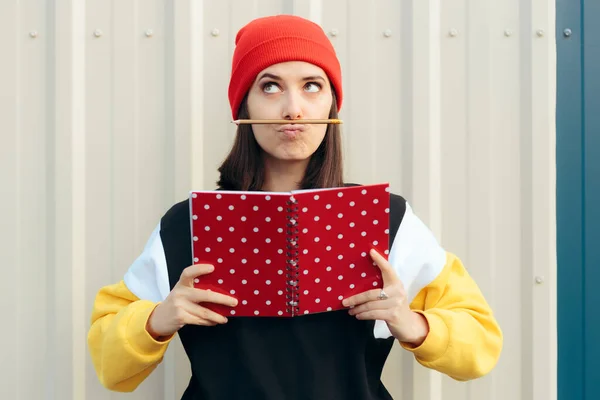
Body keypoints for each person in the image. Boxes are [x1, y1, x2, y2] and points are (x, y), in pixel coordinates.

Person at [87, 14, 502, 400]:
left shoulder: (386, 219)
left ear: (331, 107)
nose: (293, 109)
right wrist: (158, 318)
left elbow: (480, 344)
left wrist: (412, 324)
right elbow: (110, 364)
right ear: (243, 106)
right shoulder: (187, 225)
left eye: (311, 85)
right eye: (270, 86)